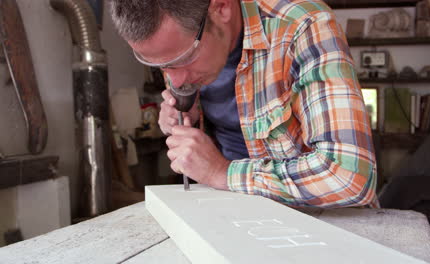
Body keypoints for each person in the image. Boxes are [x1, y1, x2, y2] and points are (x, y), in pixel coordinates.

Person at [109, 0, 378, 208]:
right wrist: (188, 118)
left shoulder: (304, 24)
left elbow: (348, 176)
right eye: (161, 66)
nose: (174, 81)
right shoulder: (185, 43)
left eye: (182, 59)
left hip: (322, 225)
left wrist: (222, 172)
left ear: (221, 7)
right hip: (238, 214)